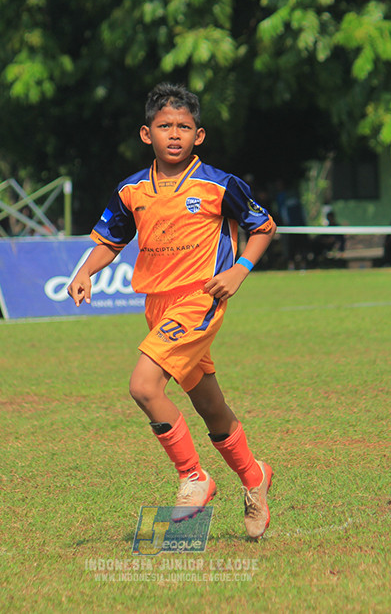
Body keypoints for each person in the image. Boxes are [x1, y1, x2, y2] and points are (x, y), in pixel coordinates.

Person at [67, 83, 277, 539]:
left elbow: (263, 226)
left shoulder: (219, 184)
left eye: (184, 126)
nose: (175, 134)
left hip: (200, 300)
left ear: (198, 136)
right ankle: (254, 475)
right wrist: (85, 271)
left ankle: (193, 476)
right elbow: (111, 241)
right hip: (158, 306)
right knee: (210, 406)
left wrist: (239, 271)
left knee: (143, 386)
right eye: (165, 126)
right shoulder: (131, 190)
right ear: (147, 134)